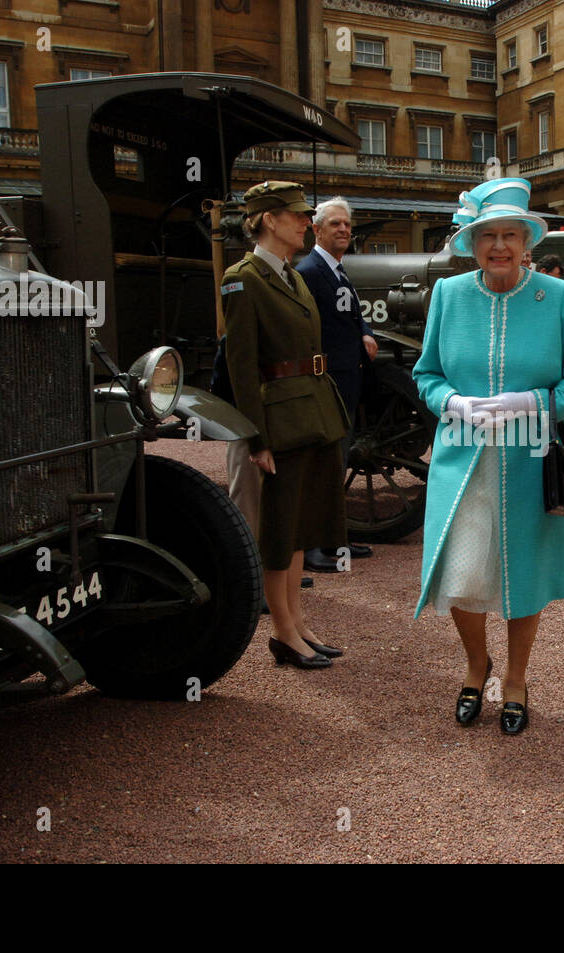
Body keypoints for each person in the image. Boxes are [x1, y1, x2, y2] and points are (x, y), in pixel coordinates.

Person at [413, 177, 564, 734]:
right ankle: (477, 666)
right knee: (462, 571)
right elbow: (425, 374)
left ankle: (516, 678)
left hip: (532, 459)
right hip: (463, 458)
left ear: (526, 243)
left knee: (525, 571)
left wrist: (534, 402)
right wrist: (454, 402)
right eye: (487, 235)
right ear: (471, 244)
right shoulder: (448, 296)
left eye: (510, 235)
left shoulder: (558, 296)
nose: (499, 246)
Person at [223, 180, 351, 670]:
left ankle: (297, 624)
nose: (305, 223)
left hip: (312, 413)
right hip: (280, 421)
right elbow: (241, 365)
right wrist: (255, 437)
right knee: (278, 533)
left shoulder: (292, 275)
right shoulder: (243, 278)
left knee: (299, 528)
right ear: (269, 220)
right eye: (296, 215)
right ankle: (281, 633)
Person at [295, 197, 378, 571]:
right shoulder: (309, 271)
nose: (343, 230)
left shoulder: (338, 271)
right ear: (316, 230)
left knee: (336, 463)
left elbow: (352, 314)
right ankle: (311, 547)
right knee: (319, 466)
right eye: (334, 224)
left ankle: (334, 540)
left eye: (346, 224)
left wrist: (365, 332)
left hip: (347, 381)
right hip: (325, 383)